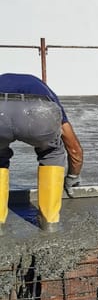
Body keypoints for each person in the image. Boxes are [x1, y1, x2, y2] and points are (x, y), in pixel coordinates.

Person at [0, 73, 84, 230]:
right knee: (53, 153)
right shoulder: (47, 94)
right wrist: (72, 177)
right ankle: (49, 223)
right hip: (40, 112)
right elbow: (74, 148)